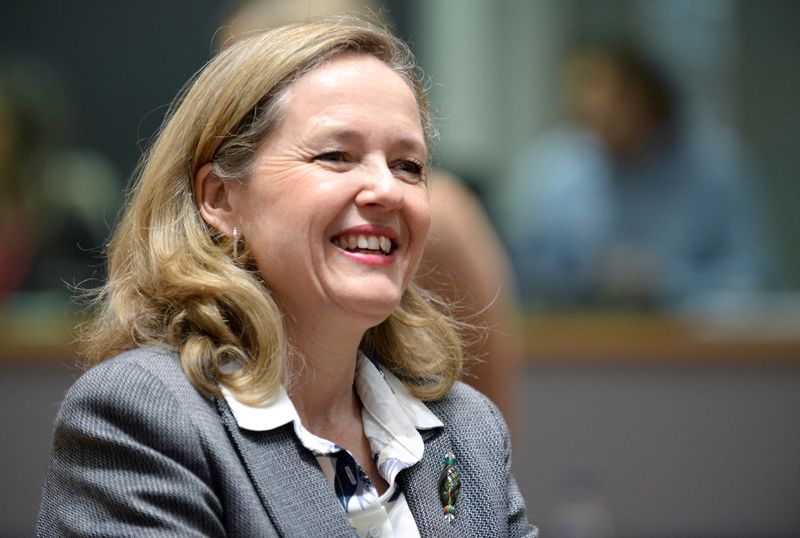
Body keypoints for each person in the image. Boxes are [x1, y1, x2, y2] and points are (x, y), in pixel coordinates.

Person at [36, 17, 537, 537]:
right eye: (337, 156)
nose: (387, 190)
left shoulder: (467, 428)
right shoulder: (144, 416)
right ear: (220, 198)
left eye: (408, 165)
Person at [217, 0, 525, 441]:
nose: (227, 104)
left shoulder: (442, 214)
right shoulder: (159, 406)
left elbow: (489, 390)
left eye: (408, 166)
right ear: (221, 196)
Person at [500, 44, 769, 311]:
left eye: (613, 101)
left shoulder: (713, 166)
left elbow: (751, 276)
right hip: (583, 342)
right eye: (586, 107)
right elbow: (522, 276)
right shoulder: (553, 168)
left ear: (647, 99)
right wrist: (585, 280)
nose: (597, 115)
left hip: (692, 344)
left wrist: (668, 282)